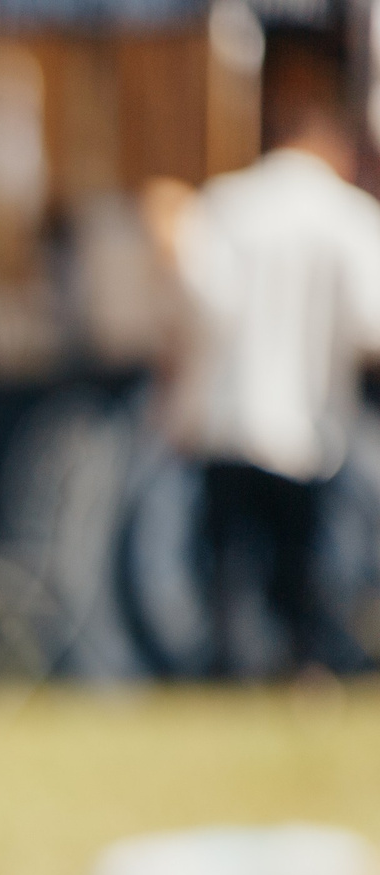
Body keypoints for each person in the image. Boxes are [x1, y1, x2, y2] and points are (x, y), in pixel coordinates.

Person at [153, 46, 380, 676]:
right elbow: (371, 322)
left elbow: (197, 305)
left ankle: (234, 677)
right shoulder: (349, 216)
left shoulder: (227, 206)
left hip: (228, 422)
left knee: (230, 570)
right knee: (306, 572)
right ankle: (305, 674)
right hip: (311, 427)